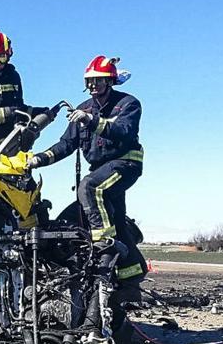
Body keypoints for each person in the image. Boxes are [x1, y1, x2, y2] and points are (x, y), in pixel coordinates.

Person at [27, 55, 147, 304]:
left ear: (110, 81)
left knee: (90, 188)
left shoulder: (128, 104)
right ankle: (131, 279)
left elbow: (123, 131)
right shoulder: (84, 109)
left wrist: (91, 120)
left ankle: (103, 243)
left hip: (126, 164)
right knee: (116, 219)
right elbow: (65, 145)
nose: (93, 86)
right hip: (102, 169)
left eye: (98, 81)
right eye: (89, 81)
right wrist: (39, 159)